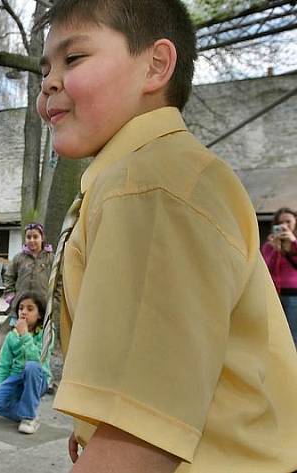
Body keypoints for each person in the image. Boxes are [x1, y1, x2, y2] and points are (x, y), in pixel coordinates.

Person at [36, 1, 297, 471]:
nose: (49, 81)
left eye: (73, 59)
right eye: (45, 67)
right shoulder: (140, 177)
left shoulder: (149, 186)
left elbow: (139, 436)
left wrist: (112, 444)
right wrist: (93, 428)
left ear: (156, 65)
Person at [0, 291, 51, 435]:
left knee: (31, 366)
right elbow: (4, 365)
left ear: (39, 314)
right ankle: (30, 413)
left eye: (30, 309)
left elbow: (37, 359)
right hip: (16, 378)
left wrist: (25, 335)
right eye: (21, 308)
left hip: (37, 379)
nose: (24, 312)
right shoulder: (11, 336)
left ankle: (28, 417)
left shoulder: (45, 334)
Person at [262, 207, 297, 346]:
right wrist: (274, 249)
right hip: (274, 295)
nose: (284, 226)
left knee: (293, 334)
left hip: (294, 296)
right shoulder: (269, 246)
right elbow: (264, 268)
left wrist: (293, 242)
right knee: (275, 335)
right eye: (280, 223)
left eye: (288, 222)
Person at [3, 223, 53, 304]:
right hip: (21, 306)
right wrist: (11, 297)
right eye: (28, 237)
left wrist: (55, 302)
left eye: (35, 237)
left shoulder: (50, 258)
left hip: (44, 306)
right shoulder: (18, 258)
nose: (32, 240)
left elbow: (59, 282)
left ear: (42, 238)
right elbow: (9, 277)